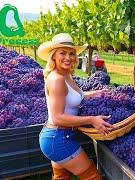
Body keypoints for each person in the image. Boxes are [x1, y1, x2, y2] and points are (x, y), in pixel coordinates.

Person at [37, 33, 114, 180]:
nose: (68, 57)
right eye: (63, 53)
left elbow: (73, 97)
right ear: (53, 56)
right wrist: (91, 119)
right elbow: (58, 118)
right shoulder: (57, 79)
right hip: (57, 138)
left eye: (71, 53)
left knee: (62, 178)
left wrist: (94, 93)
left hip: (57, 137)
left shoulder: (65, 75)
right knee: (93, 177)